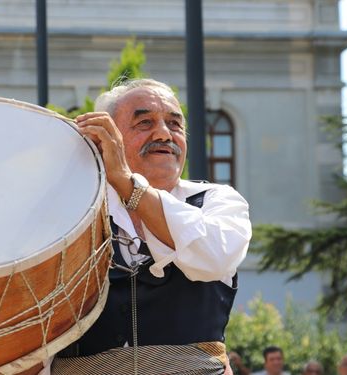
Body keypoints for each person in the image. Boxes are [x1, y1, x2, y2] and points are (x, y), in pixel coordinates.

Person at [40, 78, 251, 374]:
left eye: (175, 124)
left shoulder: (216, 201)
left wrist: (128, 185)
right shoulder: (74, 214)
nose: (164, 134)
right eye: (144, 123)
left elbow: (213, 256)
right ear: (106, 139)